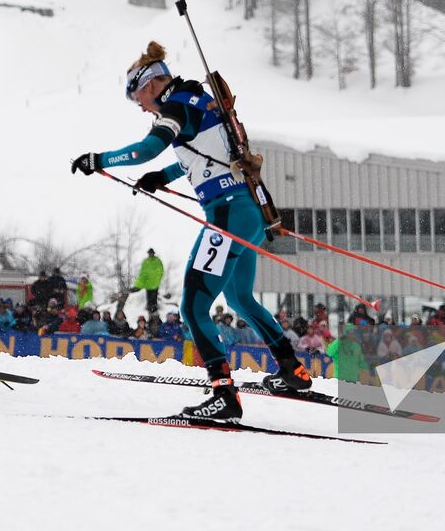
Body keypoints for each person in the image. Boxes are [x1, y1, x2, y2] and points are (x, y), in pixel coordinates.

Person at [71, 41, 313, 422]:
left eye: (138, 97)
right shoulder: (198, 99)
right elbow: (202, 158)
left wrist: (98, 160)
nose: (140, 106)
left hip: (227, 214)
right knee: (239, 298)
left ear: (150, 84)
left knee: (193, 305)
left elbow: (145, 150)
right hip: (248, 212)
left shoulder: (175, 106)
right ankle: (292, 370)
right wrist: (161, 176)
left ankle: (223, 394)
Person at [134, 247, 164, 316]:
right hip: (148, 284)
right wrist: (138, 284)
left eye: (151, 253)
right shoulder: (145, 261)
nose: (150, 254)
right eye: (149, 253)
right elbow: (142, 273)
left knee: (154, 297)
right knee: (149, 298)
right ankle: (150, 311)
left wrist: (157, 279)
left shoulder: (157, 260)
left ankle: (154, 310)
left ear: (153, 253)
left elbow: (160, 271)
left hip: (154, 283)